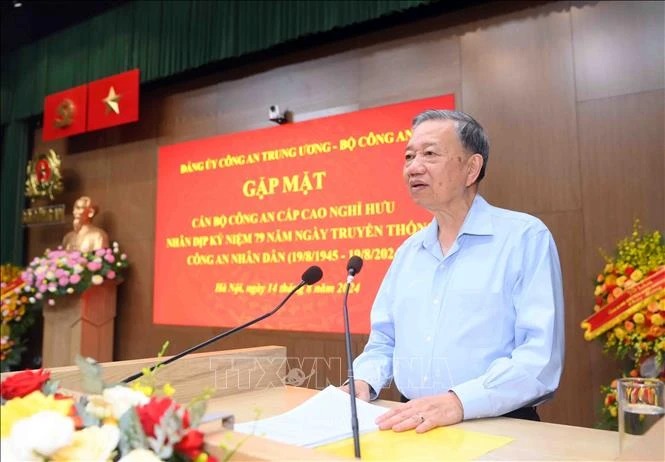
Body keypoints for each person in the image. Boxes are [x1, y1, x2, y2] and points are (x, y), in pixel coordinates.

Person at [344, 109, 564, 433]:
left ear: (471, 168)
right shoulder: (408, 253)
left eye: (430, 154)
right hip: (413, 424)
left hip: (498, 426)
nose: (413, 167)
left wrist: (460, 402)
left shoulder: (524, 238)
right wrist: (363, 381)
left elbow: (539, 360)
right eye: (409, 156)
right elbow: (384, 342)